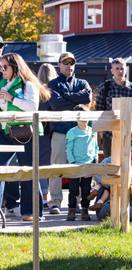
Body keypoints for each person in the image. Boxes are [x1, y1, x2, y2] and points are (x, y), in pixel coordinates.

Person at [0, 53, 50, 221]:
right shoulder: (3, 84)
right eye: (0, 67)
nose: (2, 70)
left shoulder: (28, 85)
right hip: (6, 131)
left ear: (15, 67)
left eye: (5, 67)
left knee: (28, 172)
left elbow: (32, 107)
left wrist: (11, 98)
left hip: (25, 132)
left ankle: (33, 212)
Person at [48, 52, 92, 215]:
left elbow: (87, 97)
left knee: (78, 168)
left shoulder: (83, 83)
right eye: (65, 62)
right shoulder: (52, 84)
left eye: (71, 62)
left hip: (79, 132)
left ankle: (77, 202)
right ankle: (55, 202)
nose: (69, 66)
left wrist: (66, 96)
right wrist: (76, 100)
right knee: (57, 168)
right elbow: (56, 104)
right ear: (59, 65)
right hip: (60, 131)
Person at [96, 58, 132, 157]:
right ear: (112, 71)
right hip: (109, 134)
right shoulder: (105, 87)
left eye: (122, 68)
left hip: (127, 133)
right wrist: (101, 132)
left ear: (126, 69)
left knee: (126, 164)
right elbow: (99, 110)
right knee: (109, 164)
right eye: (117, 69)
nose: (120, 71)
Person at [65, 115, 98, 221]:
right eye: (81, 118)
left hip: (88, 164)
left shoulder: (92, 131)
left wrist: (95, 159)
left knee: (86, 189)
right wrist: (72, 161)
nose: (84, 120)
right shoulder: (71, 132)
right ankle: (71, 210)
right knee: (73, 189)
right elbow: (68, 148)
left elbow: (95, 147)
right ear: (76, 119)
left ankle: (85, 209)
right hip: (75, 165)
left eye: (86, 118)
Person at [37, 63, 57, 209]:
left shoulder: (36, 90)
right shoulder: (55, 89)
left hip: (40, 132)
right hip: (54, 131)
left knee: (41, 165)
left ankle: (44, 197)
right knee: (54, 164)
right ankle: (52, 197)